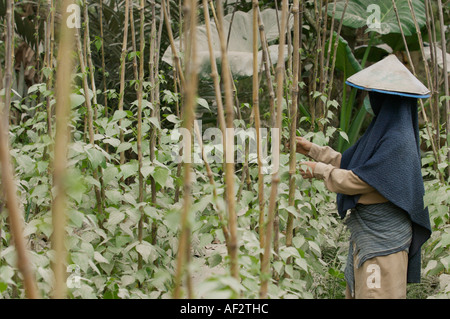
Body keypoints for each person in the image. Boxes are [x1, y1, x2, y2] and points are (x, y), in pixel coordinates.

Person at [294, 55, 432, 299]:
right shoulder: (386, 132)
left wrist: (319, 170)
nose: (369, 100)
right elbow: (356, 165)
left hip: (382, 243)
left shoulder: (397, 141)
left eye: (373, 94)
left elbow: (360, 180)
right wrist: (314, 151)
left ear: (386, 99)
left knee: (374, 294)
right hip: (371, 236)